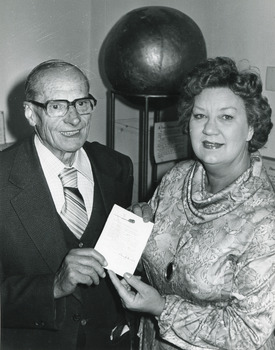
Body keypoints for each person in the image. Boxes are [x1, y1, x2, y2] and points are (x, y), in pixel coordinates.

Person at [108, 56, 275, 350]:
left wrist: (162, 308)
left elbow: (249, 333)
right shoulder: (177, 178)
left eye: (226, 117)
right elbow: (157, 263)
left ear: (251, 128)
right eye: (200, 116)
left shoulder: (266, 219)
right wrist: (136, 230)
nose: (209, 129)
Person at [0, 59, 134, 350]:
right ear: (31, 113)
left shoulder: (117, 167)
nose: (74, 120)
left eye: (82, 103)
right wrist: (53, 286)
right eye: (57, 106)